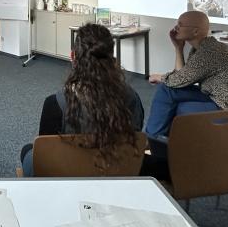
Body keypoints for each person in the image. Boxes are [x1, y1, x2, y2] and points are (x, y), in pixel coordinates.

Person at [19, 24, 145, 176]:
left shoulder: (55, 104)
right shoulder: (132, 98)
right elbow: (132, 144)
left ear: (73, 57)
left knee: (28, 151)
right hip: (115, 174)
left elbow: (47, 156)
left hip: (69, 180)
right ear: (112, 58)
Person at [144, 11, 228, 143]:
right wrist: (178, 48)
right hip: (224, 102)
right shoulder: (202, 48)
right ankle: (157, 143)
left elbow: (177, 80)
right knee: (169, 92)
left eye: (180, 25)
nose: (176, 28)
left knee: (177, 107)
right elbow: (181, 80)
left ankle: (152, 142)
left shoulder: (209, 53)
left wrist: (159, 77)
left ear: (195, 31)